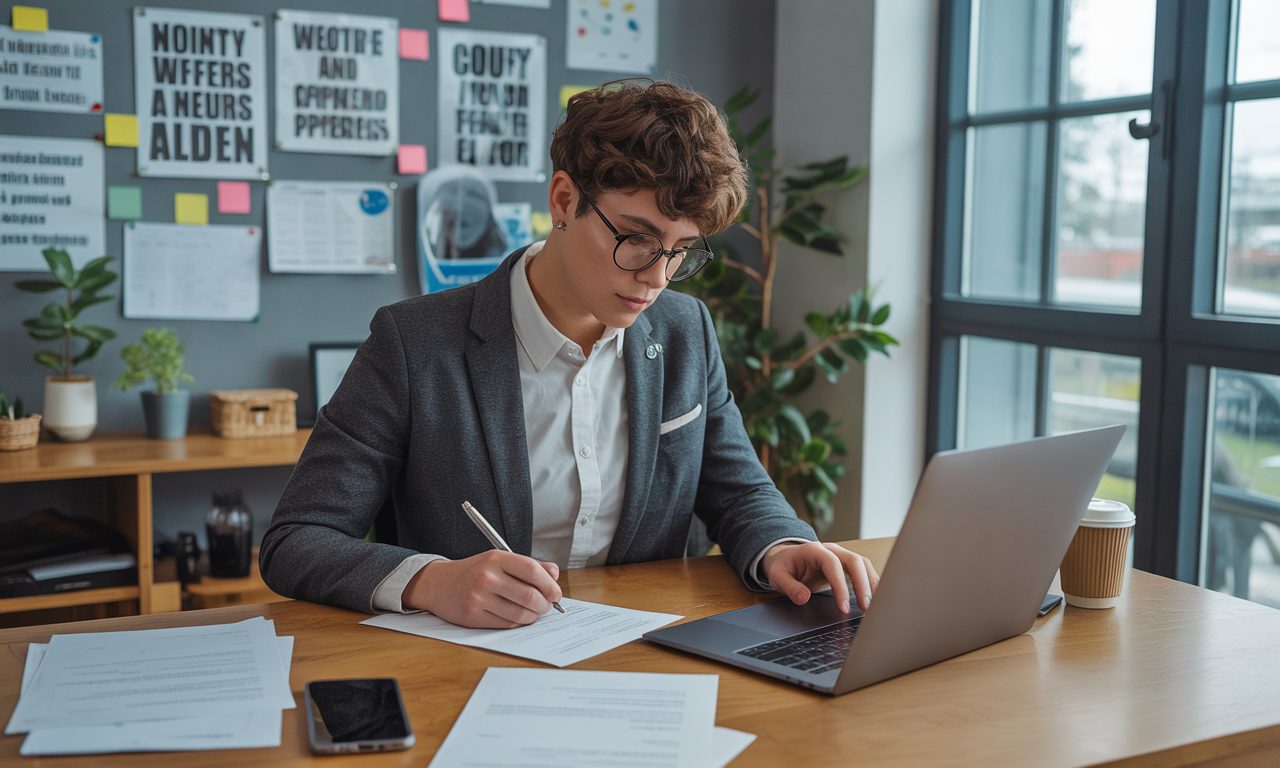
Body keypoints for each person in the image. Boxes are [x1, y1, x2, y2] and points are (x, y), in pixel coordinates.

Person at [260, 80, 879, 629]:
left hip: (643, 654)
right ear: (563, 200)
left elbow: (739, 491)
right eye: (637, 238)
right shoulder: (414, 344)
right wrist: (431, 580)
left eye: (681, 250)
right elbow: (297, 540)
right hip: (461, 662)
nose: (658, 276)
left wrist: (781, 545)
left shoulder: (686, 328)